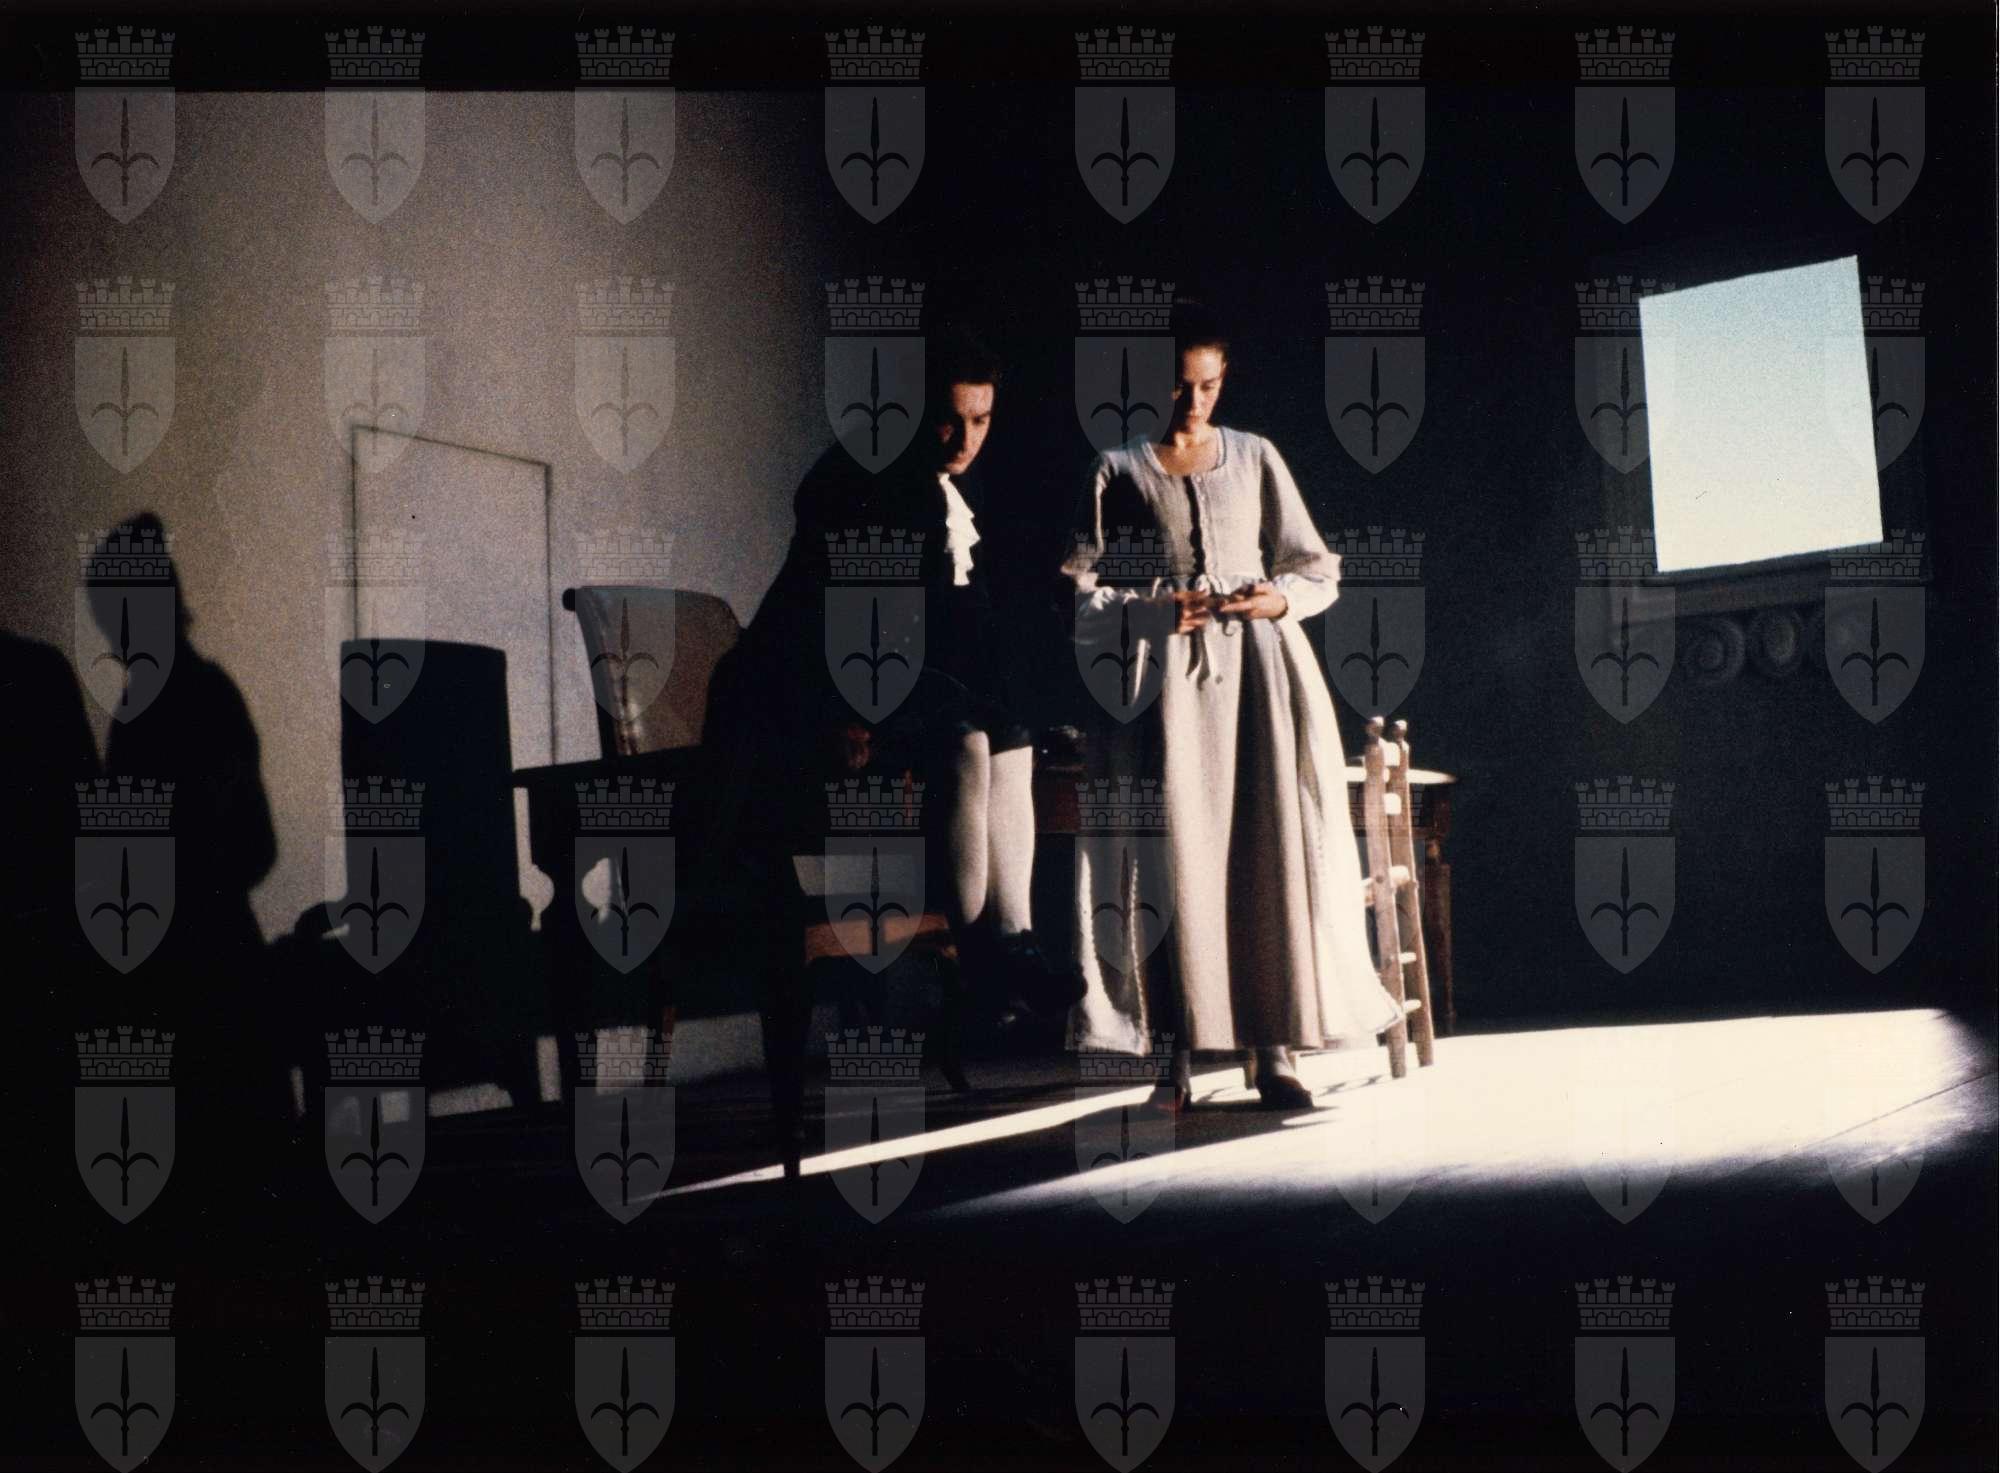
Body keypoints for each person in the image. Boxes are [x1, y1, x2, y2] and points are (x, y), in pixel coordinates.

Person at [1061, 305, 1403, 1110]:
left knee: (1264, 852)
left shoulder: (1254, 456)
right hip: (1164, 688)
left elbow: (1315, 566)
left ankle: (1275, 1049)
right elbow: (1076, 590)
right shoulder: (1116, 468)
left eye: (1207, 386)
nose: (1192, 403)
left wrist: (1274, 600)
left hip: (1256, 679)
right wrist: (1152, 610)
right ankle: (1172, 1060)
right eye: (1178, 386)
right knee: (1170, 862)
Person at [706, 324, 1077, 1022]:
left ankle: (1015, 942)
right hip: (808, 688)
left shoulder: (942, 488)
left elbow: (963, 632)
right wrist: (845, 712)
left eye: (981, 420)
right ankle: (979, 957)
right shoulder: (859, 477)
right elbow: (818, 614)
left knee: (1011, 735)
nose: (964, 440)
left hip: (891, 676)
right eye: (949, 420)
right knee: (968, 740)